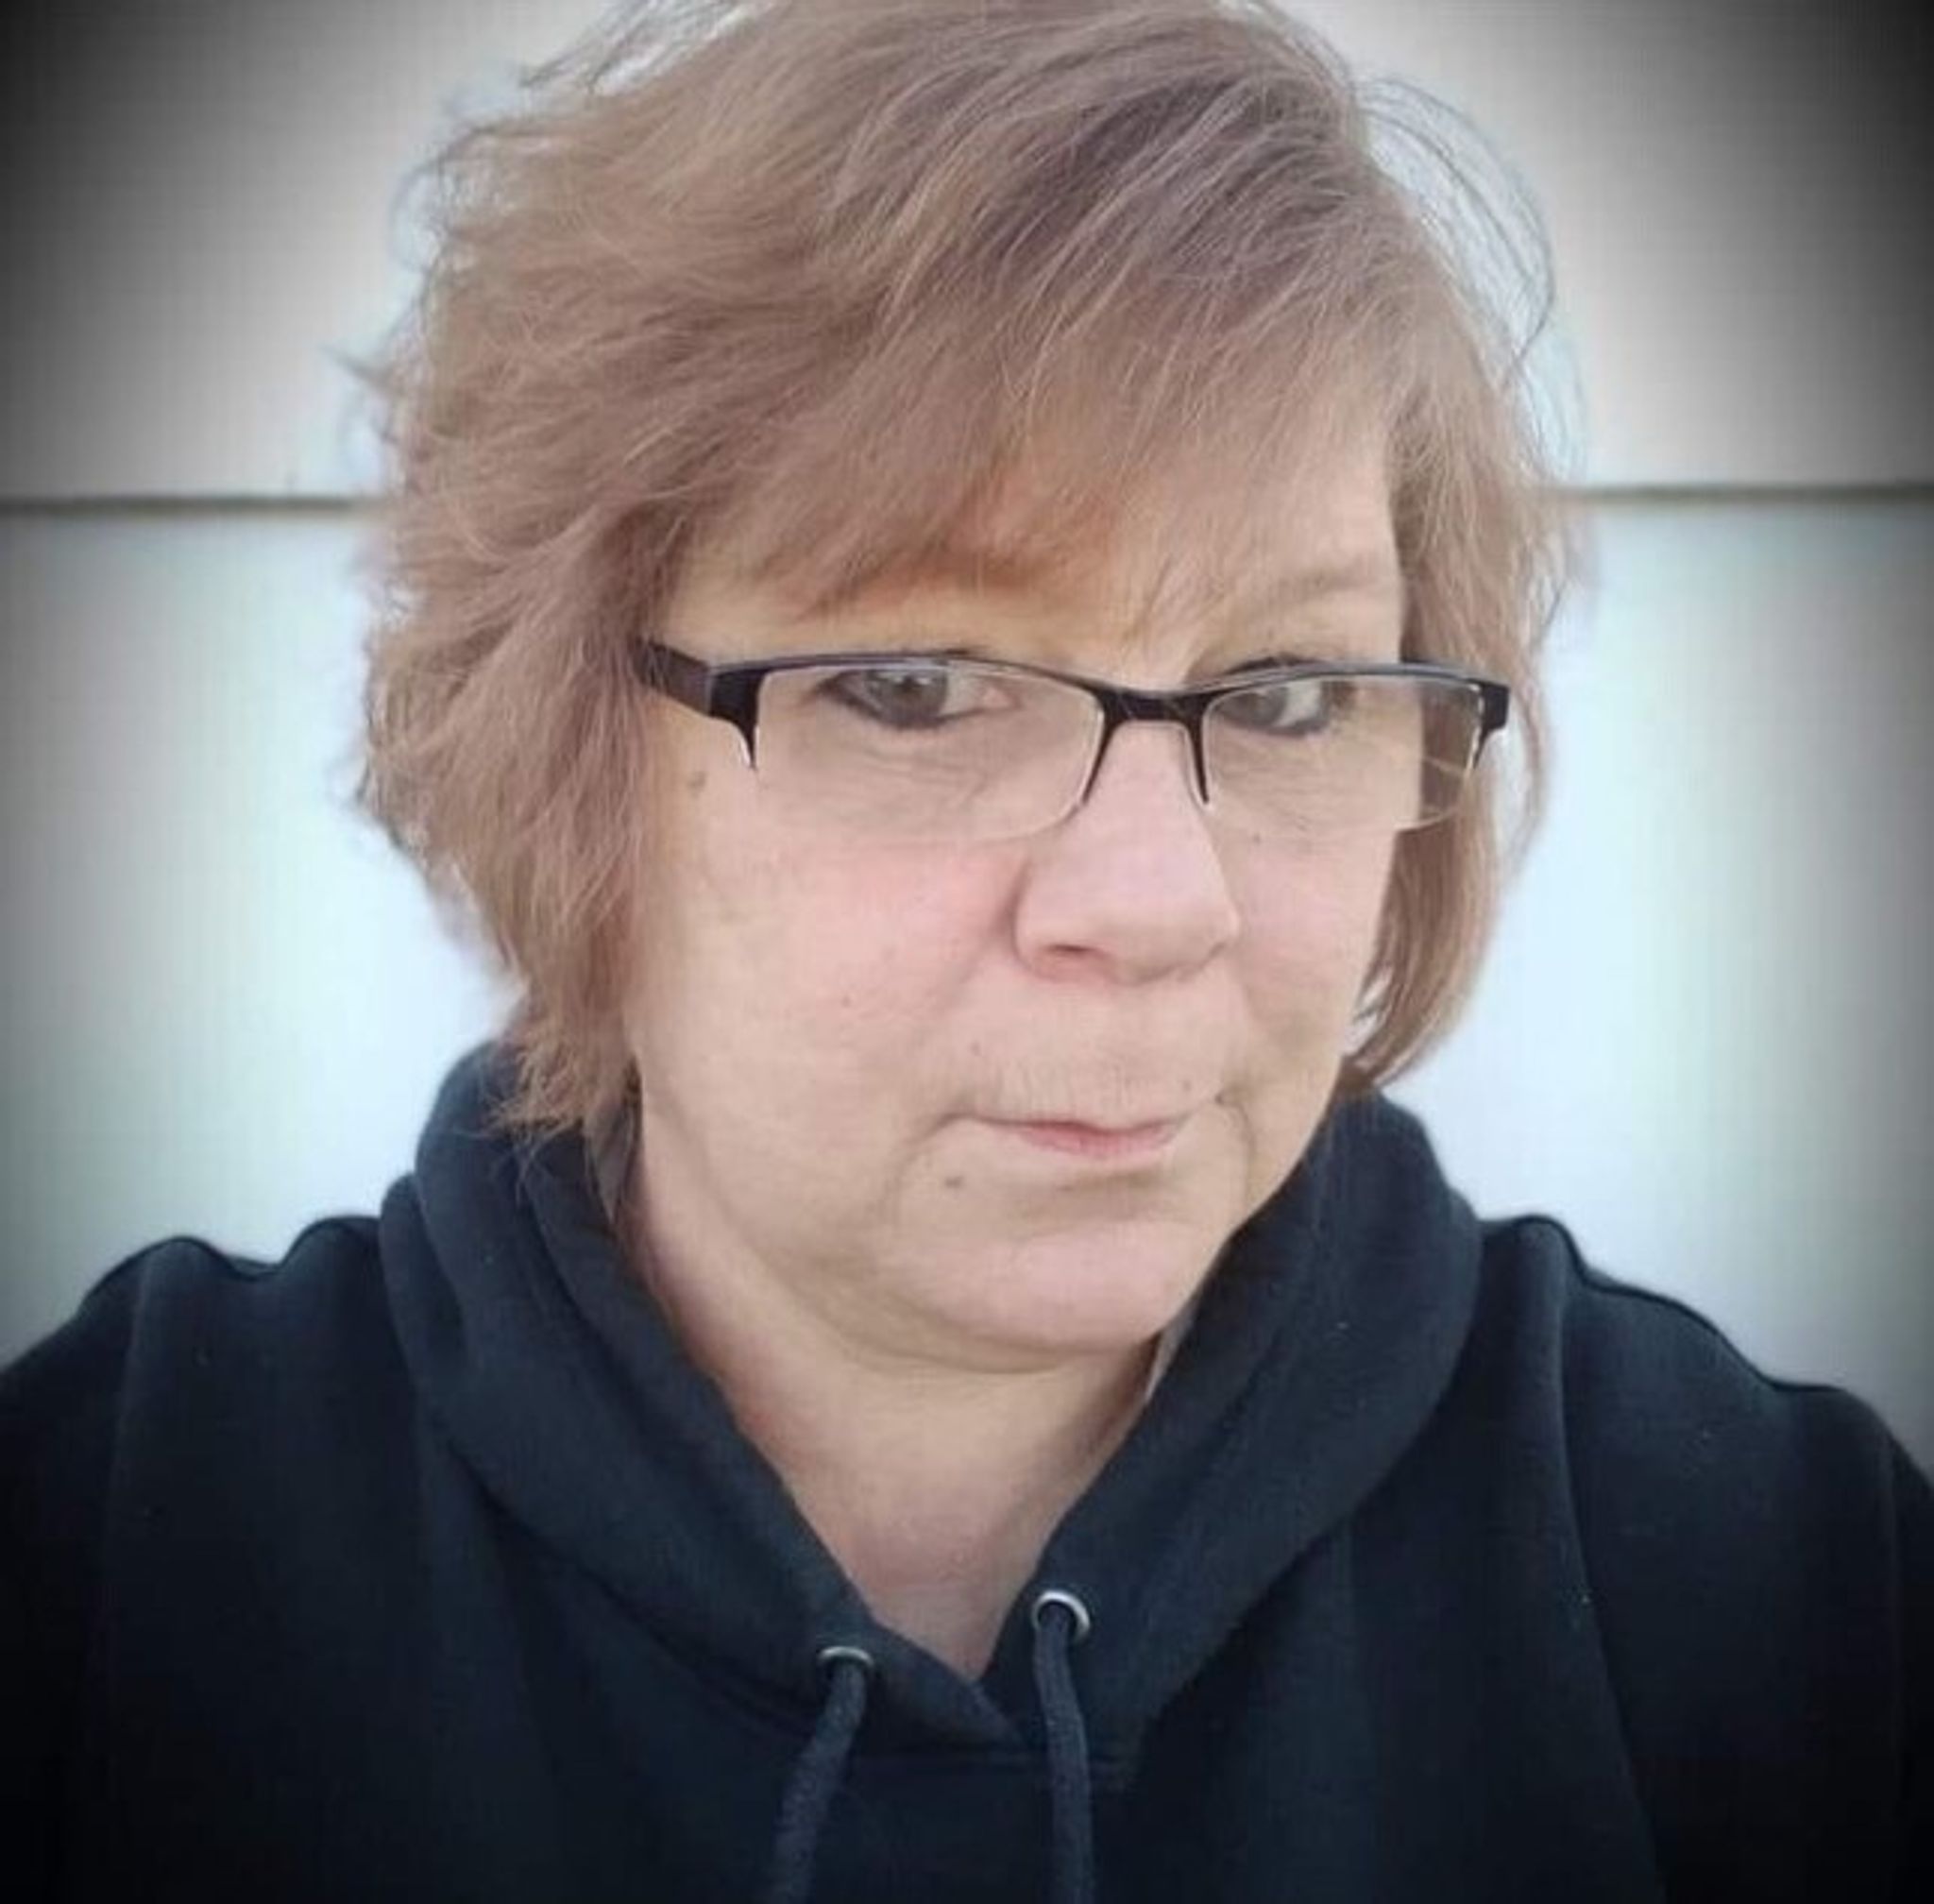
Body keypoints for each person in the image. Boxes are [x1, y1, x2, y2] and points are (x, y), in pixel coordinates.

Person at [2, 0, 1926, 1897]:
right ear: (563, 746)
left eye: (1284, 694)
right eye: (917, 687)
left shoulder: (1756, 1589)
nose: (1159, 903)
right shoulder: (128, 1556)